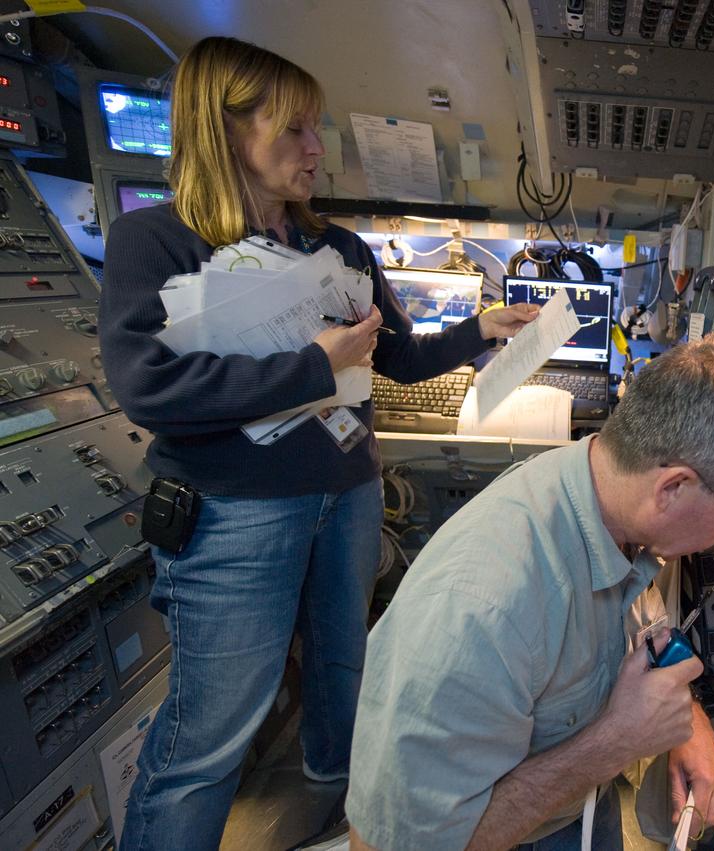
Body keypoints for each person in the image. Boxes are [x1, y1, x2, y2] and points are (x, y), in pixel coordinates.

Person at [98, 37, 537, 851]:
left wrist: (482, 328)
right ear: (227, 130)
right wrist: (312, 365)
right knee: (212, 731)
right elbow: (149, 387)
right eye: (295, 129)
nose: (315, 149)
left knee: (343, 674)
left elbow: (398, 357)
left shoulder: (338, 248)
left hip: (347, 495)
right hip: (234, 515)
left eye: (316, 129)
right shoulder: (155, 241)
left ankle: (342, 814)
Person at [345, 334, 714, 851]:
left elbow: (644, 623)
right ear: (673, 488)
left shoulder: (609, 495)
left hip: (578, 803)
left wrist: (690, 721)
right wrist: (616, 741)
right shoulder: (482, 609)